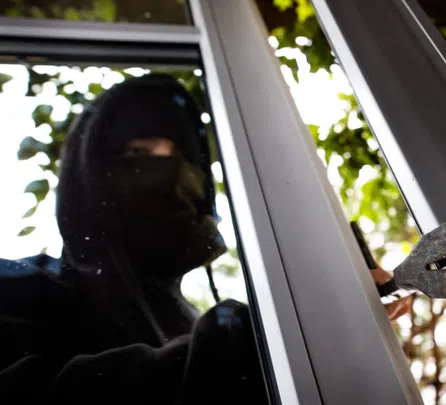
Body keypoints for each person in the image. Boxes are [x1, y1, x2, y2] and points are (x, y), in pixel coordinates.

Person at [0, 73, 409, 403]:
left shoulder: (185, 321)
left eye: (180, 157)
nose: (167, 171)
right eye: (140, 153)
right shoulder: (22, 287)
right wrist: (281, 331)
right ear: (88, 175)